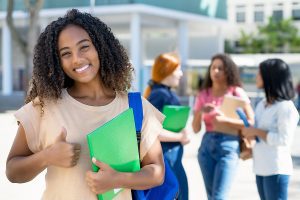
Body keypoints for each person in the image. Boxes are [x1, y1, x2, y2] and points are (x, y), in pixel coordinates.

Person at [6, 9, 165, 200]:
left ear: (100, 46)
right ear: (57, 62)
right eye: (66, 53)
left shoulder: (135, 106)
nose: (77, 59)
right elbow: (12, 171)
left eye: (84, 47)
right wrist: (47, 156)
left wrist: (118, 179)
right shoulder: (44, 107)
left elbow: (157, 172)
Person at [192, 53, 255, 200]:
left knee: (219, 197)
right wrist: (200, 112)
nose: (216, 72)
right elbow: (195, 129)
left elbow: (250, 122)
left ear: (228, 71)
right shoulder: (203, 94)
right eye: (213, 68)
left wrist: (225, 120)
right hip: (206, 148)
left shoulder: (236, 92)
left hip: (229, 146)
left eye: (220, 68)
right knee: (211, 197)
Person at [241, 58, 299, 200]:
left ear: (270, 77)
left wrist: (255, 131)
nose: (256, 76)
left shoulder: (286, 107)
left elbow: (283, 140)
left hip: (276, 169)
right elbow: (260, 133)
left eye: (260, 73)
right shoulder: (261, 104)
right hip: (260, 167)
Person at [144, 52, 189, 200]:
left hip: (169, 157)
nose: (181, 74)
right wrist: (180, 136)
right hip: (166, 158)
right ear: (167, 70)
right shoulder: (160, 95)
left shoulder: (163, 93)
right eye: (178, 69)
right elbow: (151, 131)